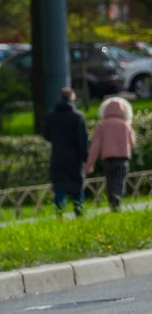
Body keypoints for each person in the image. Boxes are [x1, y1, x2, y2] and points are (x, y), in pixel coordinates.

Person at [85, 96, 137, 212]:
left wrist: (89, 164)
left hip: (107, 159)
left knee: (110, 182)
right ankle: (117, 203)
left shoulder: (102, 126)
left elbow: (95, 147)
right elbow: (133, 143)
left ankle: (112, 203)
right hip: (122, 158)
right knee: (120, 181)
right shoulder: (125, 125)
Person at [44, 87, 88, 218]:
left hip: (58, 156)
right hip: (75, 158)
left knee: (59, 188)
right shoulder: (78, 116)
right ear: (72, 98)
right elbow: (83, 139)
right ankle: (79, 213)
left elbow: (47, 135)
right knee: (77, 187)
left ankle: (59, 214)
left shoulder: (51, 116)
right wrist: (85, 156)